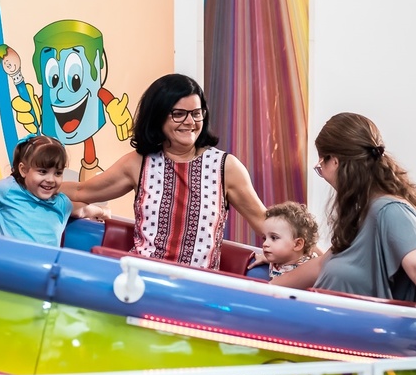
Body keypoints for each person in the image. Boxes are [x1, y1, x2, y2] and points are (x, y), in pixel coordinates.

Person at [60, 73, 266, 270]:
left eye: (196, 113)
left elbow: (265, 222)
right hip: (141, 280)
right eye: (178, 114)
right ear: (158, 116)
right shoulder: (138, 163)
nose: (190, 122)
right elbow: (81, 191)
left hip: (199, 286)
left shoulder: (226, 167)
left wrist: (277, 251)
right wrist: (38, 186)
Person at [273, 112, 416, 326]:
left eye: (321, 166)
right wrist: (266, 286)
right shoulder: (361, 214)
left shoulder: (391, 211)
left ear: (335, 161)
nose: (322, 174)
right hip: (328, 332)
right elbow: (321, 265)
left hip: (364, 338)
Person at [261, 202, 319, 280]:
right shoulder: (280, 260)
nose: (265, 243)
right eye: (264, 238)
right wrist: (264, 259)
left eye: (274, 238)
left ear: (297, 244)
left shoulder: (308, 271)